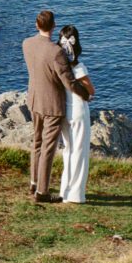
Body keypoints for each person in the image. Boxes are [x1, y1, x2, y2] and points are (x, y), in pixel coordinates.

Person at [22, 10, 83, 203]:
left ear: (36, 25)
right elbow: (69, 82)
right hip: (52, 105)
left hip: (34, 100)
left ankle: (34, 182)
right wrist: (87, 94)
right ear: (54, 26)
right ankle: (42, 192)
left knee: (37, 143)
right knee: (48, 148)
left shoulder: (27, 44)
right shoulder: (56, 52)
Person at [57, 25, 95, 204]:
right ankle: (76, 194)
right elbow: (91, 90)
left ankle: (64, 190)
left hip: (63, 110)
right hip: (78, 110)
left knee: (68, 150)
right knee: (79, 151)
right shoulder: (79, 67)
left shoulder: (58, 66)